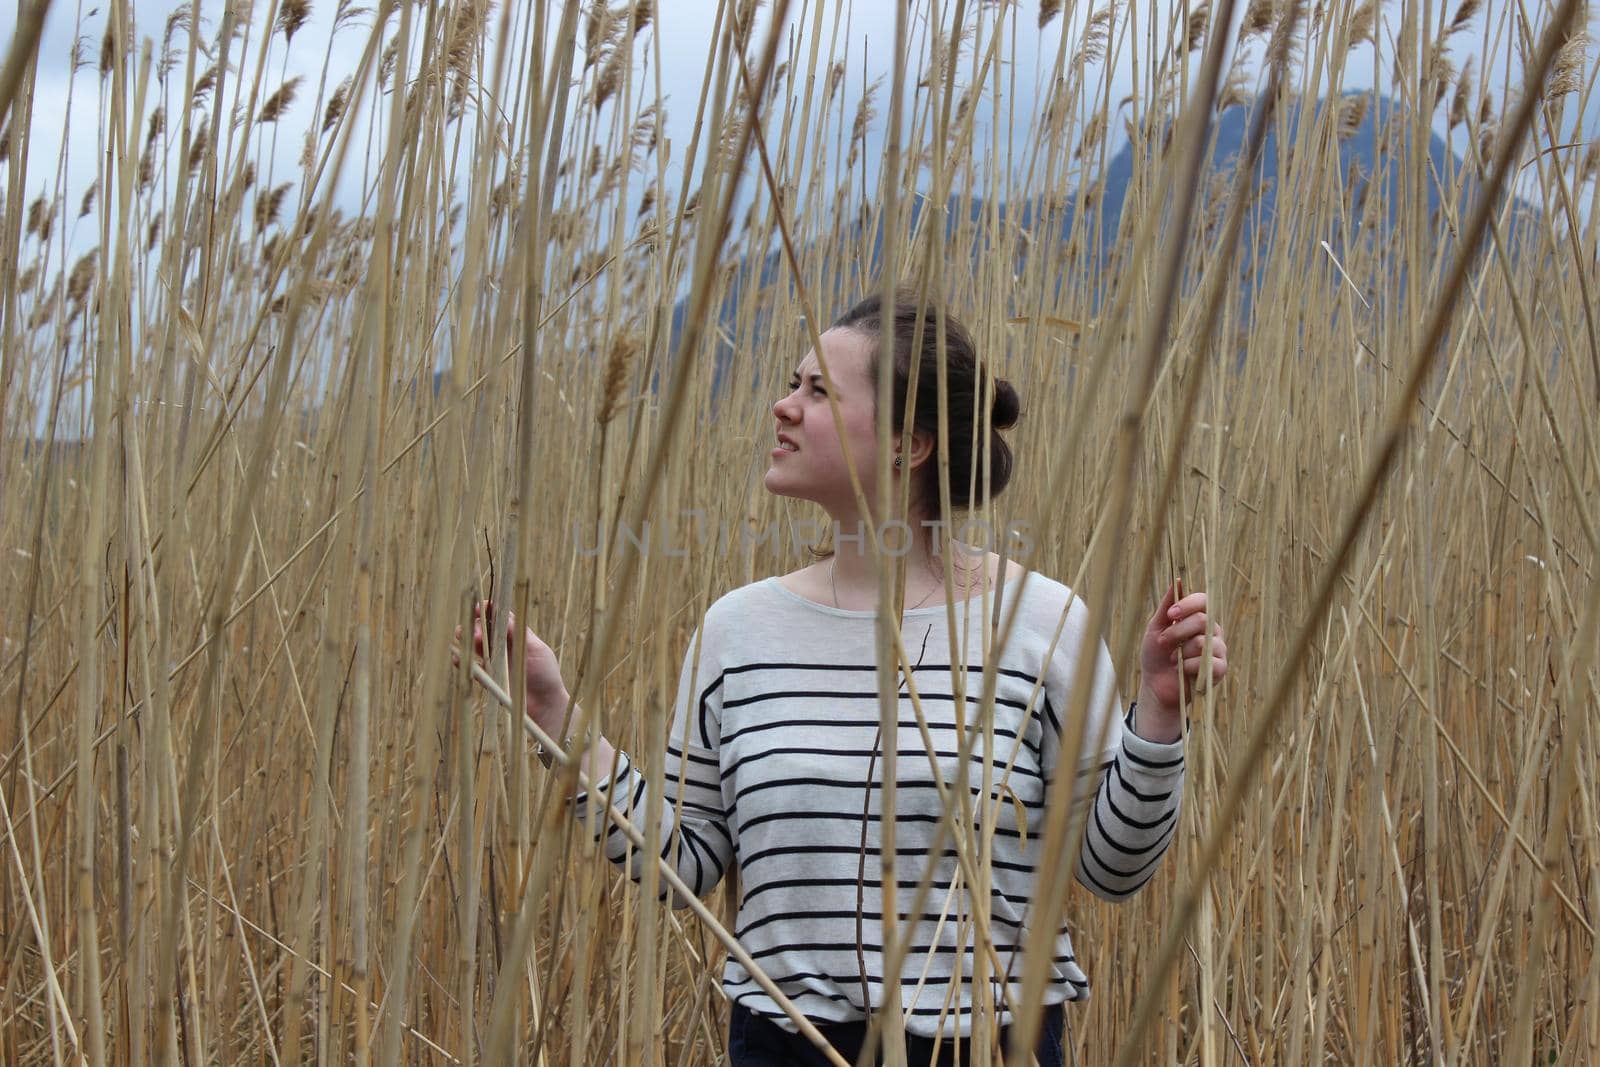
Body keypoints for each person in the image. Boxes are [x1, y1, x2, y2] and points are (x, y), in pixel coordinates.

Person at [464, 291, 1229, 1066]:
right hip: (784, 1043)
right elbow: (685, 867)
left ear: (909, 443)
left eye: (818, 391)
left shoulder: (1039, 623)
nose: (782, 406)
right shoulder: (736, 630)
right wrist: (554, 716)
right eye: (792, 383)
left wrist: (1159, 716)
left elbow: (1114, 869)